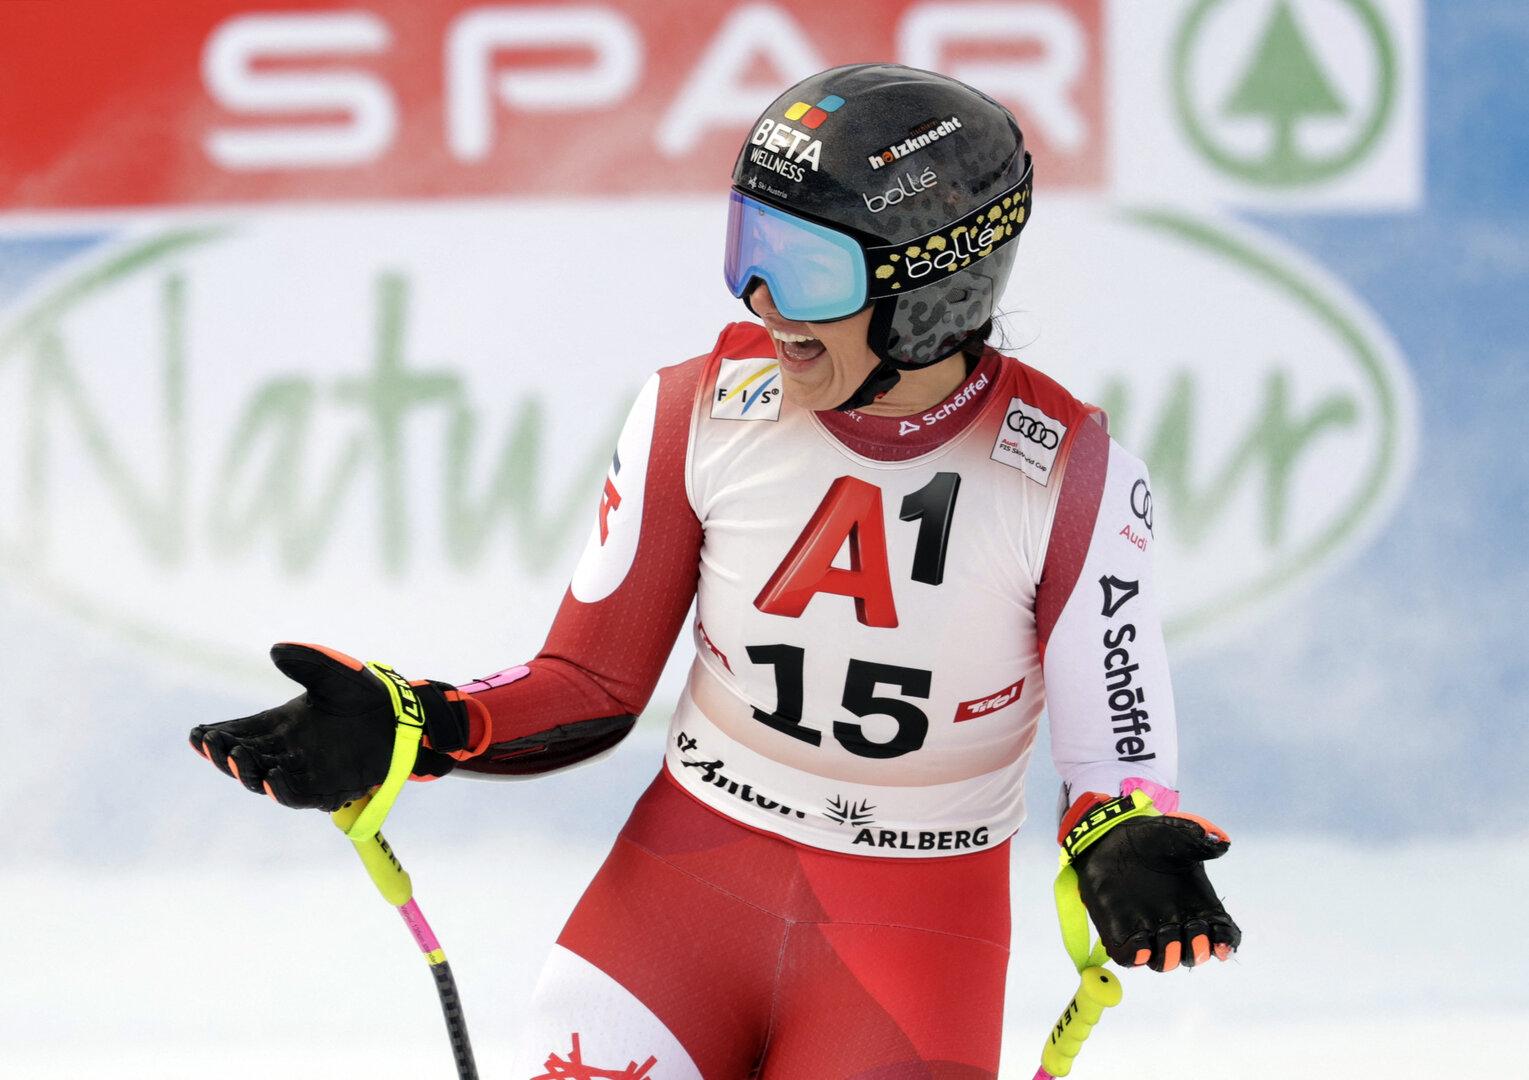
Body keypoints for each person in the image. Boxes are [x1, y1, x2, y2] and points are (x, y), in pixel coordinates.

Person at [190, 64, 1240, 1079]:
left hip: (910, 942)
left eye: (808, 267)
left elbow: (1114, 751)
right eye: (750, 245)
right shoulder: (697, 409)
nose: (762, 298)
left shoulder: (1065, 473)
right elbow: (591, 685)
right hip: (676, 909)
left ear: (931, 284)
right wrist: (419, 722)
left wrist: (1125, 833)